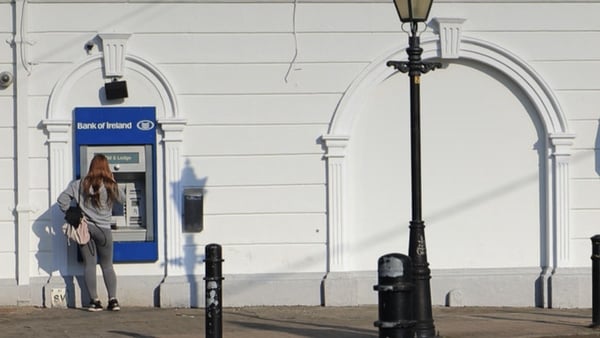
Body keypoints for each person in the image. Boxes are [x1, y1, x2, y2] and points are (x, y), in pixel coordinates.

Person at [57, 154, 125, 312]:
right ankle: (113, 300)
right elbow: (122, 199)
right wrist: (113, 181)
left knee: (90, 264)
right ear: (107, 167)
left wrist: (73, 214)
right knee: (107, 265)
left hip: (85, 229)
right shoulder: (110, 184)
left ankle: (94, 302)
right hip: (104, 230)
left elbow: (62, 200)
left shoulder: (80, 184)